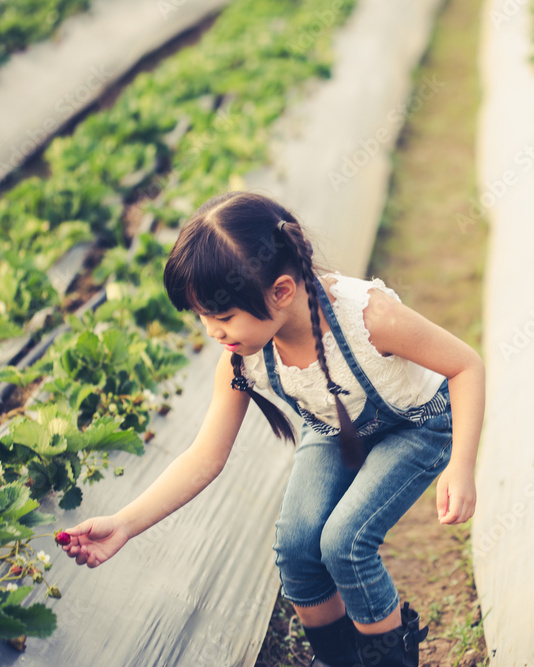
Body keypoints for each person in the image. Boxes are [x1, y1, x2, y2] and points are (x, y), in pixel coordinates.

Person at [57, 191, 485, 667]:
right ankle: (339, 659)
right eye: (203, 318)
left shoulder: (369, 318)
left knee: (344, 543)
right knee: (297, 547)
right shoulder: (242, 358)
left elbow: (465, 366)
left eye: (222, 317)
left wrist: (461, 466)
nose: (213, 333)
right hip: (333, 427)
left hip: (417, 424)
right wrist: (124, 524)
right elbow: (204, 458)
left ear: (281, 291)